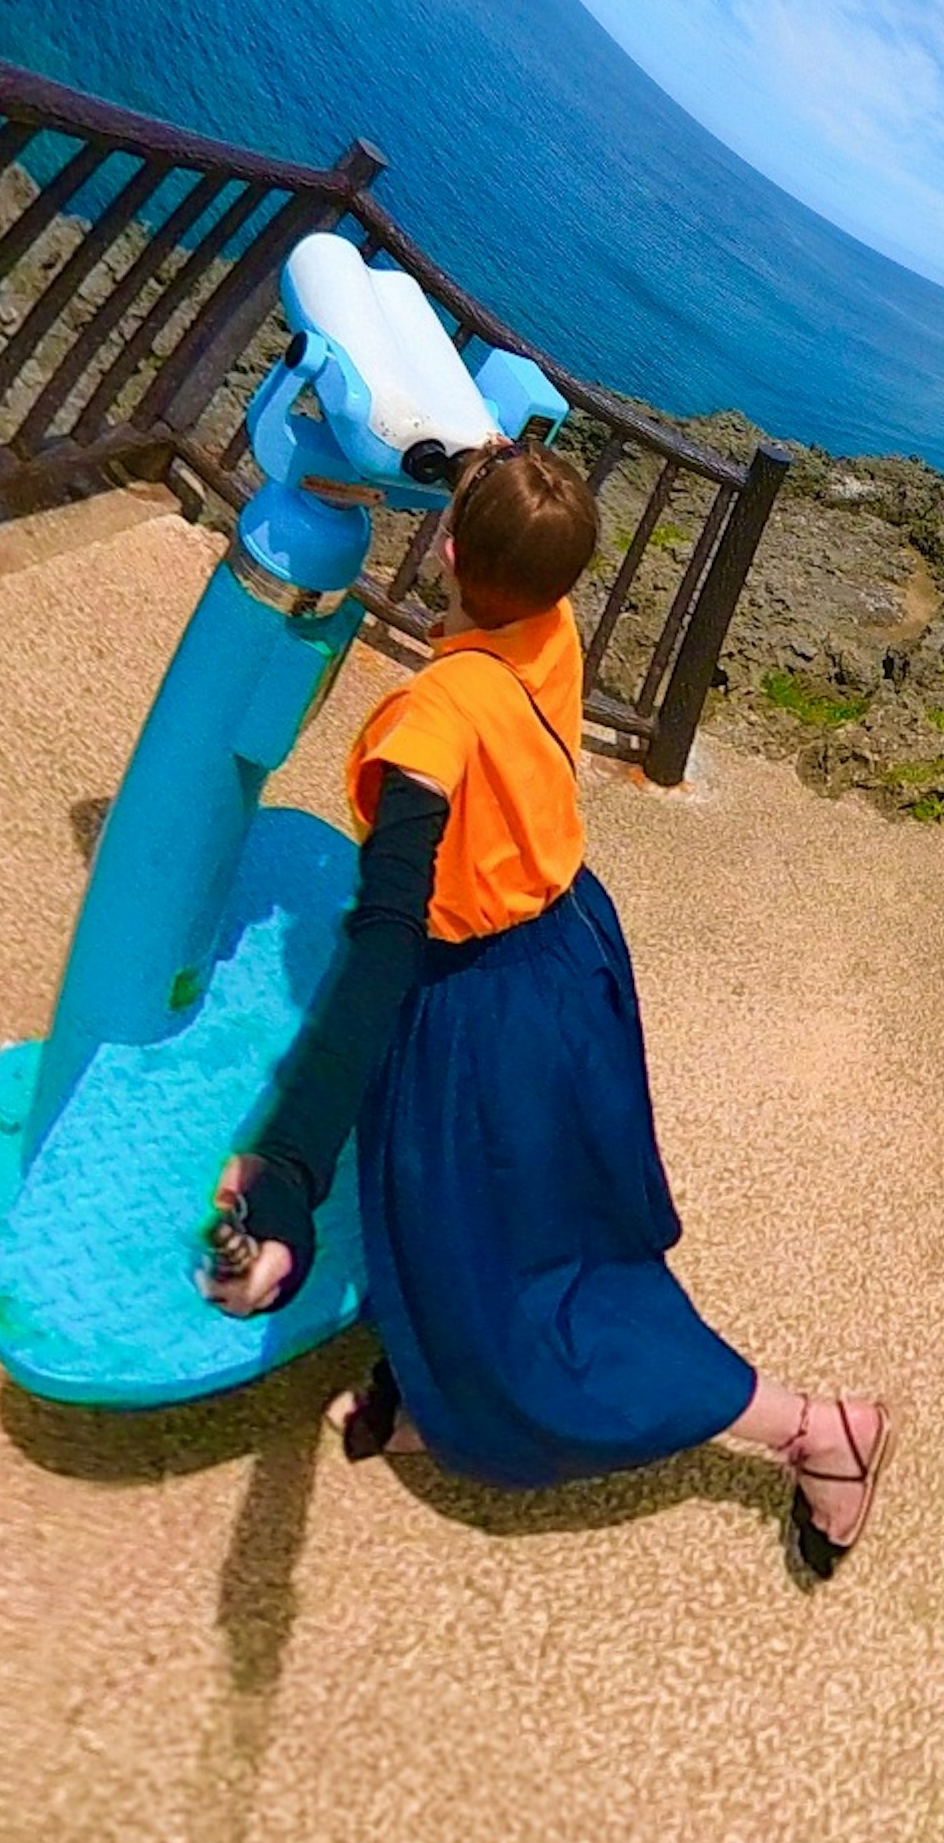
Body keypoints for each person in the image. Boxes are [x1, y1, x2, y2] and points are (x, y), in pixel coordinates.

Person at [197, 435, 893, 1568]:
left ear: (452, 545)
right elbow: (501, 509)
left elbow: (381, 945)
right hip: (570, 953)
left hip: (481, 1008)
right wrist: (465, 460)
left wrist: (285, 1165)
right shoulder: (545, 630)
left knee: (535, 1275)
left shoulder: (436, 718)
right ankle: (440, 1388)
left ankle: (820, 1431)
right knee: (466, 1224)